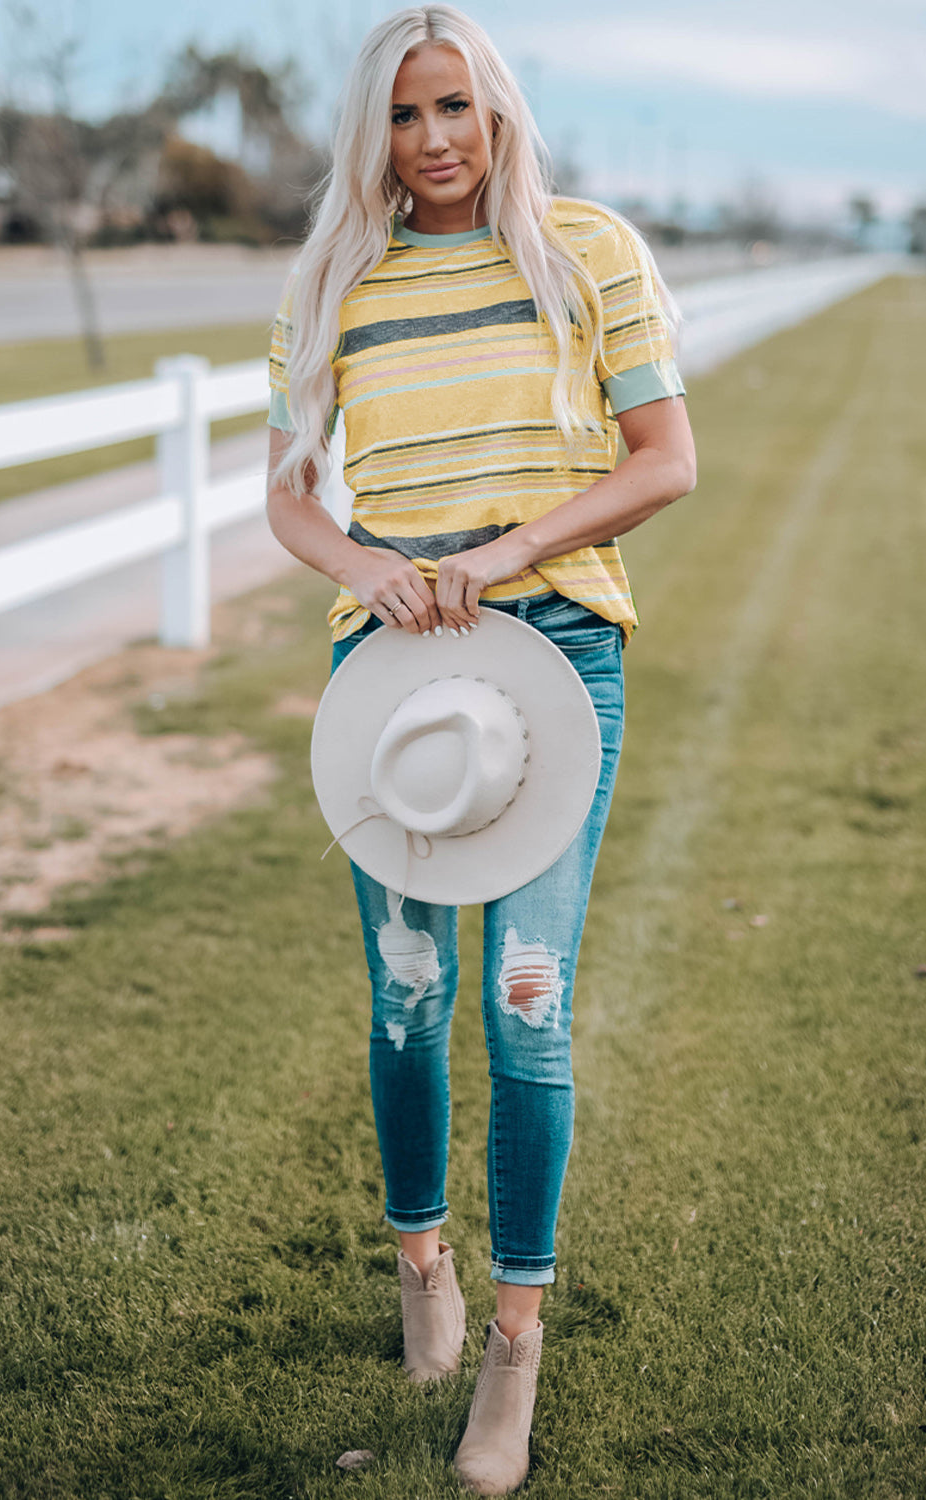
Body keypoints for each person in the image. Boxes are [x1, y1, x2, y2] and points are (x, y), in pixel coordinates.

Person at [265, 6, 695, 1493]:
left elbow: (664, 461)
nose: (434, 140)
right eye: (402, 116)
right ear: (369, 136)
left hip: (552, 655)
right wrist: (367, 566)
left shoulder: (586, 251)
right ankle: (420, 1264)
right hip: (386, 677)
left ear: (495, 110)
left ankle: (512, 1344)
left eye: (455, 106)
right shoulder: (332, 279)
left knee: (523, 1000)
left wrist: (504, 548)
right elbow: (291, 500)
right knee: (405, 992)